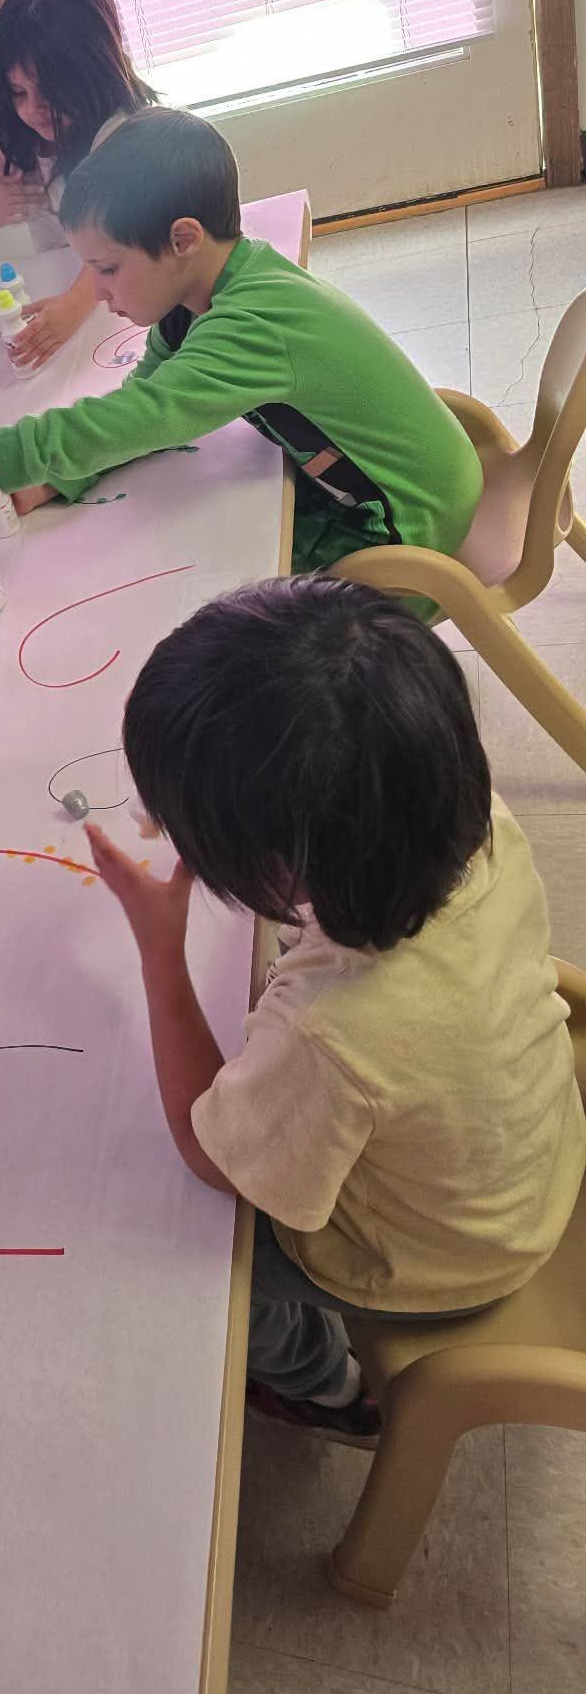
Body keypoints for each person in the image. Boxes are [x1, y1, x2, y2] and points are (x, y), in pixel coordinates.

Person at [86, 577, 585, 1442]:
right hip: (524, 1164)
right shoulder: (480, 826)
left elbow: (216, 1160)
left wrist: (161, 951)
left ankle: (319, 1384)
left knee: (190, 1241)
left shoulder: (334, 1030)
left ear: (286, 864)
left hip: (443, 1260)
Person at [0, 109, 482, 580]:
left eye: (108, 268)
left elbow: (151, 415)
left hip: (411, 535)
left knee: (229, 601)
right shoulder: (201, 299)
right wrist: (58, 477)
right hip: (410, 486)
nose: (100, 294)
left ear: (183, 239)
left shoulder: (250, 323)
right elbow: (145, 404)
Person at [0, 0, 157, 371]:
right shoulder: (16, 135)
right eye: (17, 92)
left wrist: (74, 305)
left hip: (127, 283)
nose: (31, 109)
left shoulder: (121, 134)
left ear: (92, 75)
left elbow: (121, 245)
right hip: (60, 278)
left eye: (50, 92)